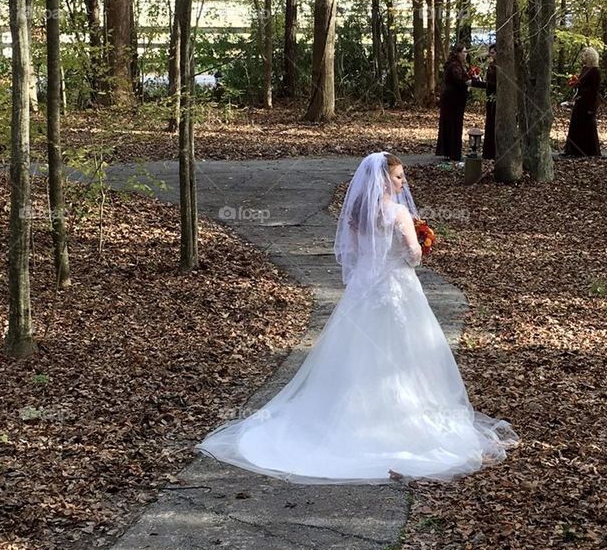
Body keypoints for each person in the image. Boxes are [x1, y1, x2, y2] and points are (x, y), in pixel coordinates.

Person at [196, 152, 519, 484]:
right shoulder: (398, 213)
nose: (403, 181)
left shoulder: (356, 216)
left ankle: (348, 416)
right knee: (406, 353)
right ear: (382, 180)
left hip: (364, 291)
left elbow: (352, 254)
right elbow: (413, 256)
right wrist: (422, 242)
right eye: (397, 177)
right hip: (397, 290)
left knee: (355, 353)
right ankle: (401, 420)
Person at [435, 44, 473, 163]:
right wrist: (468, 82)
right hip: (453, 100)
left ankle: (450, 152)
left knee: (452, 124)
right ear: (458, 53)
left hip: (454, 99)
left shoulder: (457, 65)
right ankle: (453, 153)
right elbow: (459, 80)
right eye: (464, 52)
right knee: (453, 125)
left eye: (466, 52)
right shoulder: (454, 65)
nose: (465, 54)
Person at [563, 46, 602, 158]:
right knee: (575, 124)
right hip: (580, 101)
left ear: (590, 57)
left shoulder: (595, 71)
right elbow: (581, 82)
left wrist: (592, 107)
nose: (582, 58)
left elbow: (595, 90)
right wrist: (575, 82)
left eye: (585, 56)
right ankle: (573, 151)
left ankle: (588, 151)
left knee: (587, 126)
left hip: (589, 102)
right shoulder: (585, 69)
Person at [481, 44, 497, 159]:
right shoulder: (492, 66)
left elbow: (494, 84)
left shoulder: (498, 67)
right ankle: (488, 152)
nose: (491, 55)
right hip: (490, 96)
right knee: (490, 122)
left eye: (493, 53)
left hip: (495, 97)